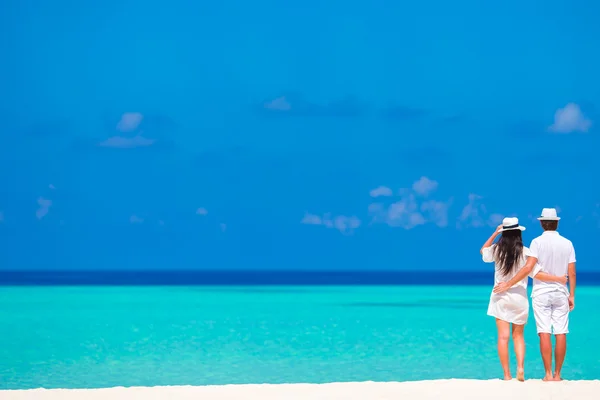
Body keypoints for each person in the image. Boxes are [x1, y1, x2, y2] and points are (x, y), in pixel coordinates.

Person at [493, 208, 576, 381]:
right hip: (557, 292)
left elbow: (529, 268)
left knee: (541, 331)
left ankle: (542, 374)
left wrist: (508, 283)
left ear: (541, 223)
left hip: (537, 293)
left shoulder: (536, 243)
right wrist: (571, 293)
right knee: (560, 332)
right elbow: (571, 273)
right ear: (557, 222)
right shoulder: (567, 243)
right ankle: (556, 374)